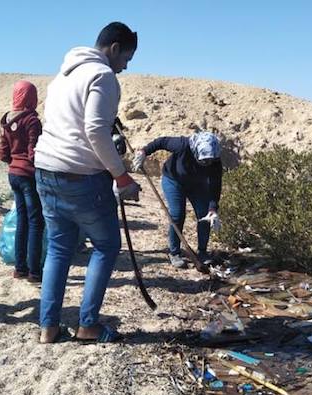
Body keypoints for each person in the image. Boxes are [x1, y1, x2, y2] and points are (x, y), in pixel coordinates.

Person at [34, 22, 141, 344]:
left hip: (45, 168)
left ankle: (48, 327)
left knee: (58, 249)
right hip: (81, 175)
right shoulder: (102, 76)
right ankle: (87, 325)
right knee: (107, 246)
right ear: (114, 48)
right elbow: (95, 131)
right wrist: (121, 176)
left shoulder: (63, 75)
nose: (125, 66)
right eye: (127, 58)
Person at [132, 131, 223, 268]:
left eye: (209, 161)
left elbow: (215, 187)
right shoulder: (182, 145)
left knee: (205, 215)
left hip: (197, 185)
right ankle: (174, 252)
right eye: (204, 160)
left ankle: (202, 252)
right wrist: (143, 152)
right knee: (177, 214)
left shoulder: (215, 162)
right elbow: (161, 142)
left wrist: (213, 209)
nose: (207, 163)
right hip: (173, 181)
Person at [0, 80, 44, 283]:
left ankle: (20, 268)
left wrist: (15, 163)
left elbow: (3, 153)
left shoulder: (6, 120)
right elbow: (34, 152)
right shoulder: (31, 120)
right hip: (29, 176)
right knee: (36, 222)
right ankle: (35, 272)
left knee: (22, 221)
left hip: (13, 175)